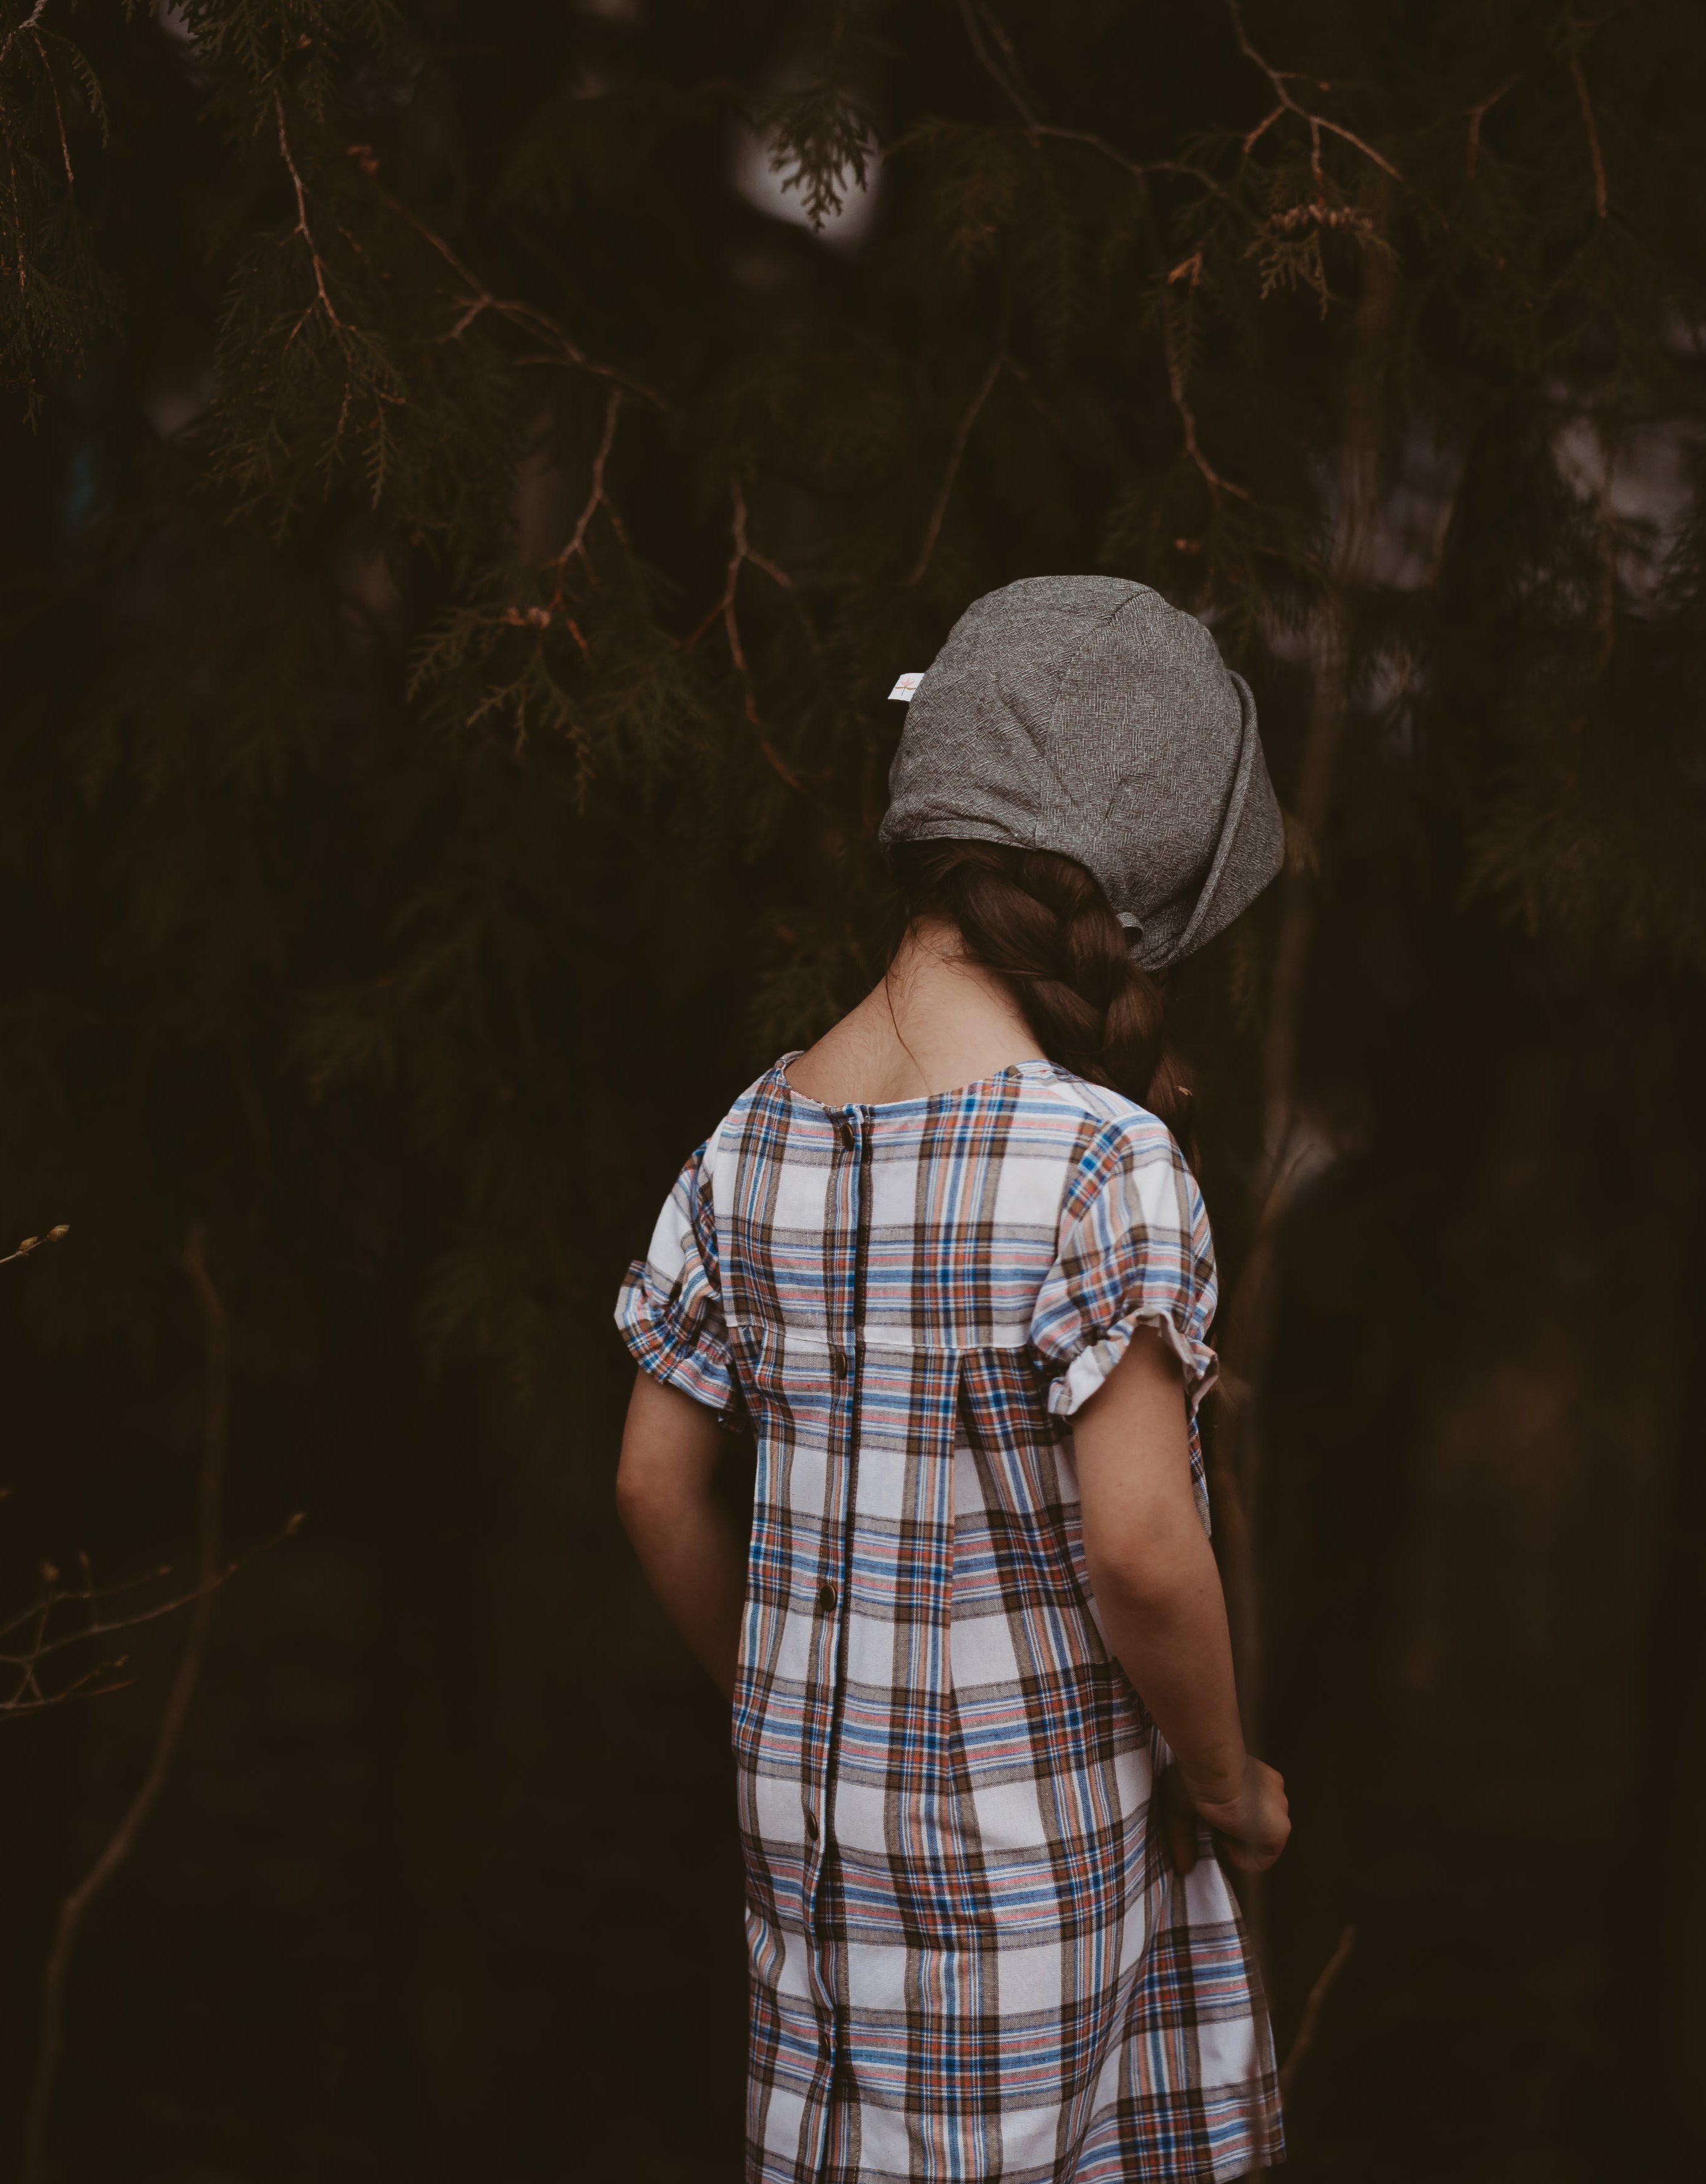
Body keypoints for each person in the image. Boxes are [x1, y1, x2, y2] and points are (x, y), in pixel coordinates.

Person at [614, 575, 1292, 2184]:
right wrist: (1224, 1780)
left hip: (817, 1874)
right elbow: (1139, 1544)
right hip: (1032, 1893)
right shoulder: (1098, 1161)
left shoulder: (752, 1134)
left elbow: (652, 1485)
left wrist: (795, 1718)